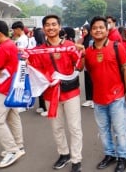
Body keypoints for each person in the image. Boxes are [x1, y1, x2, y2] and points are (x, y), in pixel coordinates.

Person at [27, 15, 84, 172]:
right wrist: (24, 60)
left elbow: (78, 67)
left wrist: (82, 54)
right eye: (47, 25)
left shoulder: (70, 46)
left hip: (71, 92)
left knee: (74, 127)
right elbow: (33, 69)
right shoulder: (37, 51)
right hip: (50, 95)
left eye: (54, 24)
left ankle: (76, 159)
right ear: (43, 28)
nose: (51, 27)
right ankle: (64, 154)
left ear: (60, 27)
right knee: (56, 127)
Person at [84, 16, 126, 172]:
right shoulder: (88, 52)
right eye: (95, 28)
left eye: (101, 27)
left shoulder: (116, 47)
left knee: (120, 130)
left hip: (117, 96)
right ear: (90, 31)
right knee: (104, 130)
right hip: (98, 98)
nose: (98, 30)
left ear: (107, 30)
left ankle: (122, 157)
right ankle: (109, 154)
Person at [0, 20, 26, 168]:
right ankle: (19, 146)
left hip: (4, 89)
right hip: (14, 87)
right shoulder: (12, 45)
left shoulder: (3, 47)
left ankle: (12, 150)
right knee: (13, 117)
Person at [11, 21, 29, 113]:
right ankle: (24, 103)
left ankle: (22, 104)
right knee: (23, 83)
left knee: (21, 83)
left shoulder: (22, 40)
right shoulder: (24, 38)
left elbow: (20, 53)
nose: (13, 32)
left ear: (18, 29)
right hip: (23, 64)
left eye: (14, 30)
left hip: (21, 64)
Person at [31, 28, 49, 117]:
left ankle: (46, 108)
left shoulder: (44, 47)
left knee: (45, 90)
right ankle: (42, 106)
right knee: (41, 89)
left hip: (44, 72)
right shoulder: (38, 47)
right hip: (38, 71)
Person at [78, 24, 94, 109]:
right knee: (87, 81)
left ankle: (94, 99)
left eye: (85, 30)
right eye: (83, 30)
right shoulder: (84, 39)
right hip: (85, 63)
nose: (84, 31)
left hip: (91, 63)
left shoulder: (92, 40)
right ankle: (89, 99)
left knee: (93, 82)